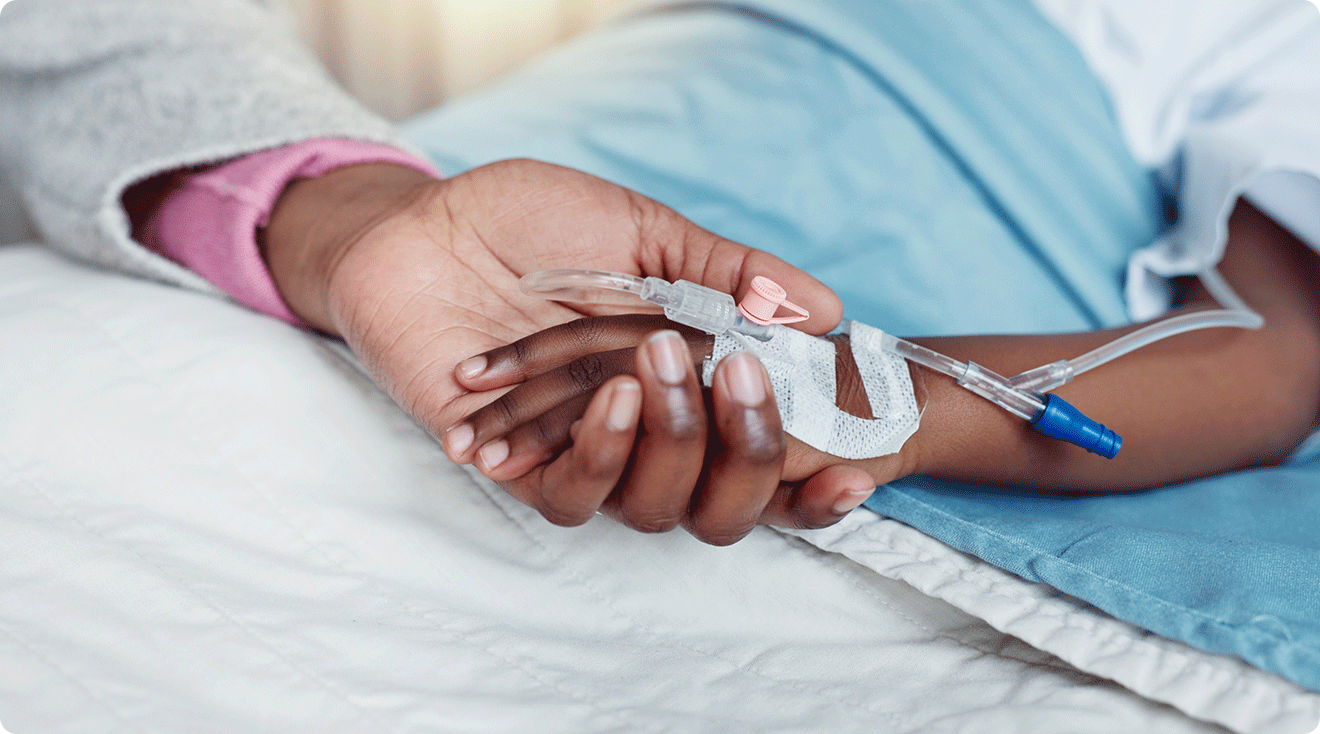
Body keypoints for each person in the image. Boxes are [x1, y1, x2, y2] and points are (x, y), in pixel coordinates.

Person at [3, 0, 1317, 548]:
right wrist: (362, 219)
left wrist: (850, 397)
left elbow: (1272, 348)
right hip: (489, 205)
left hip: (829, 313)